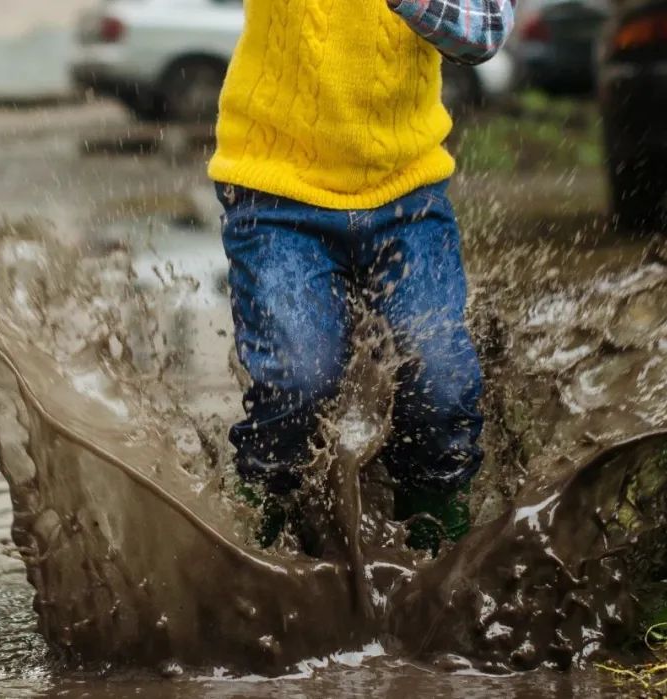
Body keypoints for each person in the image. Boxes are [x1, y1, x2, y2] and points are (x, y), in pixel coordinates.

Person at [209, 0, 516, 552]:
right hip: (274, 190)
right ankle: (256, 543)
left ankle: (435, 551)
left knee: (441, 382)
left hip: (407, 191)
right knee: (299, 382)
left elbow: (485, 30)